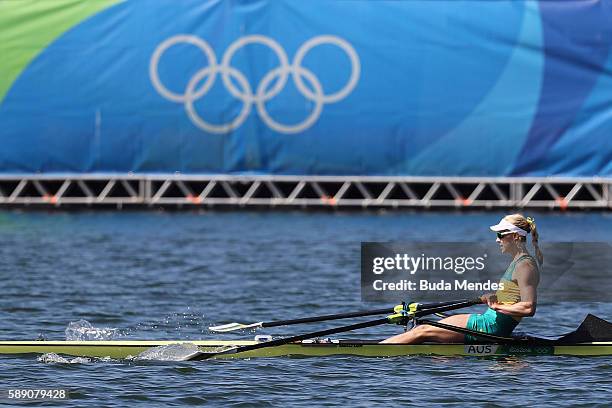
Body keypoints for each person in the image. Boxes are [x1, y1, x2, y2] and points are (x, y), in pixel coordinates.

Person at [381, 214, 543, 344]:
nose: (497, 239)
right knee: (427, 330)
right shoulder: (517, 262)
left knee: (424, 330)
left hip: (491, 328)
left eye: (500, 234)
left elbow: (528, 308)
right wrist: (492, 297)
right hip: (487, 320)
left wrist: (497, 305)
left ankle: (378, 351)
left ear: (515, 236)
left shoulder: (525, 266)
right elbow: (512, 296)